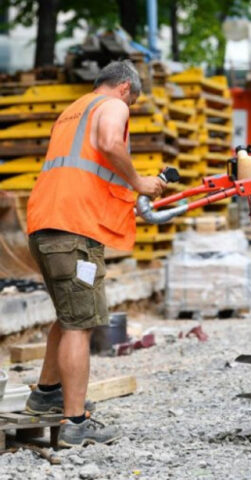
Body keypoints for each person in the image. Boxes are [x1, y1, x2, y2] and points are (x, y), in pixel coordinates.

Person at [25, 60, 165, 446]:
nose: (129, 109)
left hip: (46, 222)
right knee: (80, 324)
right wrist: (138, 182)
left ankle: (46, 394)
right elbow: (108, 143)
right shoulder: (113, 105)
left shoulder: (72, 111)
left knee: (70, 315)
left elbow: (85, 165)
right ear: (124, 88)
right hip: (74, 228)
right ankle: (74, 423)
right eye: (133, 102)